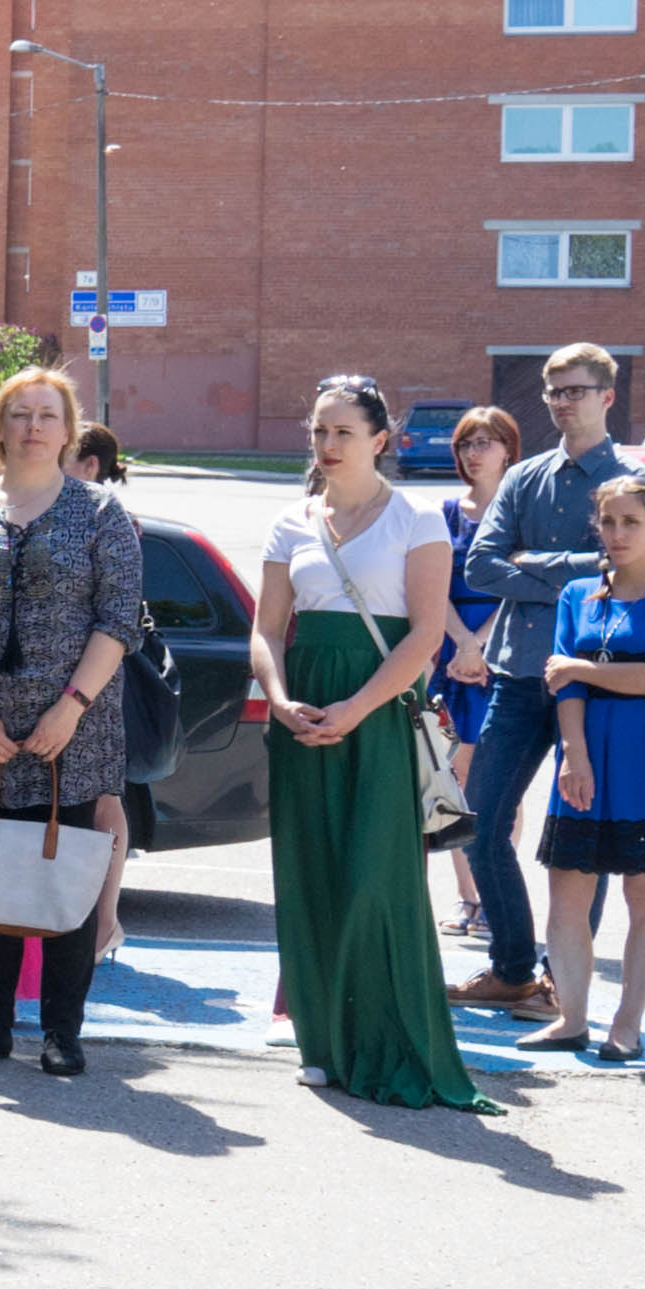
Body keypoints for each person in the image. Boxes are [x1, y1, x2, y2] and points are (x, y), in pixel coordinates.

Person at [250, 374, 484, 1110]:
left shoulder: (417, 518)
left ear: (379, 440)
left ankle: (387, 1041)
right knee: (309, 873)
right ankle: (321, 1043)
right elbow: (266, 630)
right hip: (302, 709)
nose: (326, 444)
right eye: (319, 430)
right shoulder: (290, 521)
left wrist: (355, 708)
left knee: (376, 883)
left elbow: (424, 633)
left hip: (379, 709)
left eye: (342, 432)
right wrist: (279, 699)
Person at [0, 367, 147, 1075]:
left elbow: (118, 619)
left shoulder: (100, 512)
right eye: (20, 414)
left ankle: (61, 1033)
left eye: (48, 414)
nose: (33, 427)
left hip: (71, 729)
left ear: (68, 429)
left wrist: (70, 708)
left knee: (65, 875)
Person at [457, 340, 634, 1011]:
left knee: (580, 833)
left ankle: (563, 978)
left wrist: (532, 562)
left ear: (607, 397)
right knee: (478, 823)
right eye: (554, 391)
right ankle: (510, 967)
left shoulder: (631, 483)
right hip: (515, 673)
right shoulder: (524, 477)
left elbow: (626, 572)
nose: (562, 402)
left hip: (592, 682)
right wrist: (577, 571)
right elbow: (480, 566)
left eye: (575, 390)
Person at [531, 472, 645, 1063]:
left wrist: (579, 668)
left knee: (643, 892)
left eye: (632, 522)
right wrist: (573, 754)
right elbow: (562, 686)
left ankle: (628, 1025)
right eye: (608, 521)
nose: (617, 533)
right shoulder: (577, 593)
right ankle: (571, 1019)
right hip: (582, 753)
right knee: (566, 895)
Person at [430, 403, 526, 955]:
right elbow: (429, 585)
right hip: (451, 652)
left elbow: (522, 587)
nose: (473, 452)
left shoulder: (521, 512)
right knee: (453, 777)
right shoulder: (445, 514)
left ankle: (494, 897)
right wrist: (461, 643)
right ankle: (467, 898)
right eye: (466, 443)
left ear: (508, 450)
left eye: (484, 442)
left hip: (504, 651)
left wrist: (480, 644)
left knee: (500, 782)